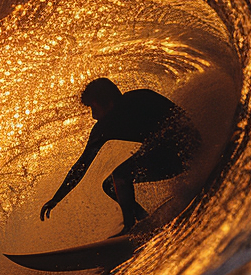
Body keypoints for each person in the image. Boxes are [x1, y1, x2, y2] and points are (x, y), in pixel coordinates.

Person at [40, 77, 200, 234]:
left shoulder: (142, 99)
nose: (93, 116)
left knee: (121, 174)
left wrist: (196, 149)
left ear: (109, 103)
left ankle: (130, 226)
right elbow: (81, 166)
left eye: (94, 108)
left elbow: (180, 118)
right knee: (111, 185)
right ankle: (143, 219)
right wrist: (56, 198)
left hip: (184, 150)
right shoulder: (104, 128)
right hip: (173, 156)